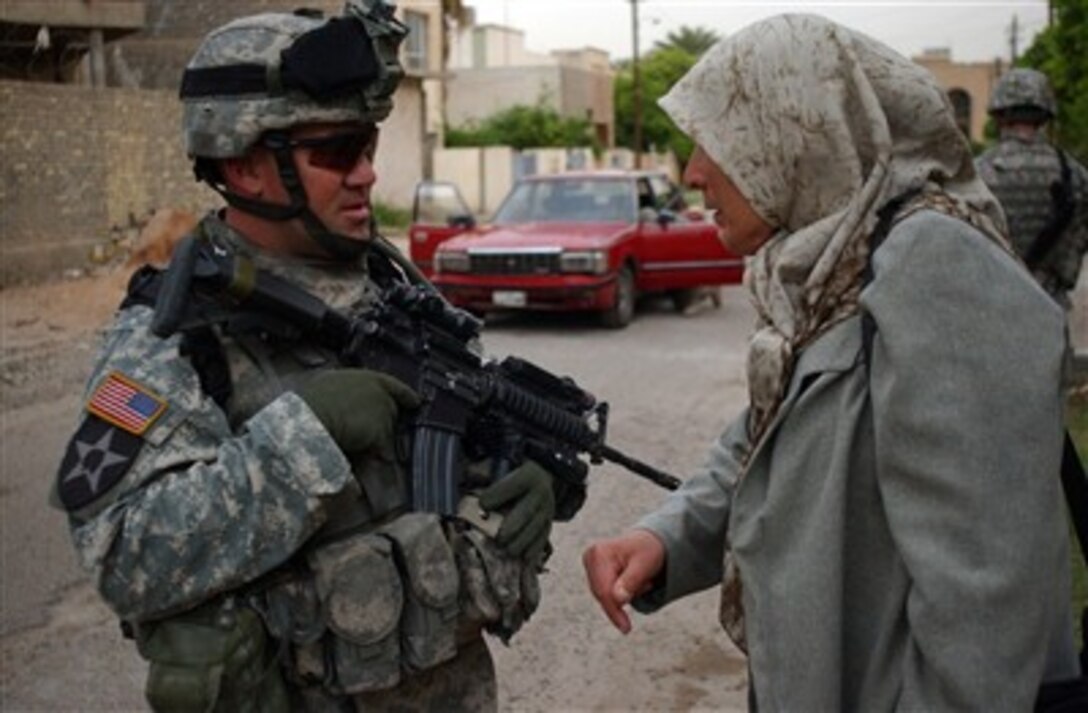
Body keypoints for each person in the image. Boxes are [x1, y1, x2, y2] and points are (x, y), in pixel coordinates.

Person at [51, 3, 557, 711]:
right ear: (247, 166)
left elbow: (445, 461)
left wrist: (516, 470)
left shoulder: (388, 286)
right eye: (337, 152)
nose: (366, 176)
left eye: (369, 149)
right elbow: (124, 554)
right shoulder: (177, 334)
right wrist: (304, 438)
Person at [582, 14, 1079, 711]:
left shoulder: (938, 265)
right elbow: (776, 435)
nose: (693, 172)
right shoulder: (833, 265)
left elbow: (984, 606)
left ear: (794, 133)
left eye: (712, 142)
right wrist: (662, 538)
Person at [976, 67, 1088, 310]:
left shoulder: (976, 173)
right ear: (1046, 114)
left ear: (998, 114)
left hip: (992, 308)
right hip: (1050, 309)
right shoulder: (1075, 174)